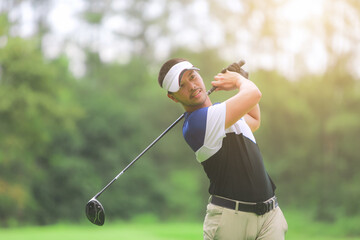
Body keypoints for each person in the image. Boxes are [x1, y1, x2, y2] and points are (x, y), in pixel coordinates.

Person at [157, 58, 288, 240]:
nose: (192, 86)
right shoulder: (197, 123)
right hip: (230, 221)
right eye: (181, 85)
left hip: (269, 218)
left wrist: (241, 79)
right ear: (173, 97)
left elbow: (254, 120)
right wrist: (238, 81)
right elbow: (254, 94)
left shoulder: (222, 113)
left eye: (193, 77)